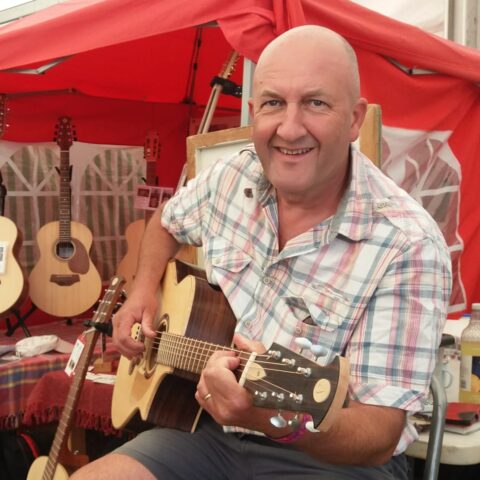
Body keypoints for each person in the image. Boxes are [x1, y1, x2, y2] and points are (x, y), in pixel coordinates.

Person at [71, 25, 452, 480]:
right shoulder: (233, 176)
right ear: (253, 112)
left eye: (315, 102)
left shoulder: (407, 242)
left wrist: (271, 420)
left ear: (354, 118)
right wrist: (142, 291)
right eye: (274, 102)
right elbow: (165, 223)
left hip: (330, 457)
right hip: (205, 431)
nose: (290, 129)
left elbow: (378, 433)